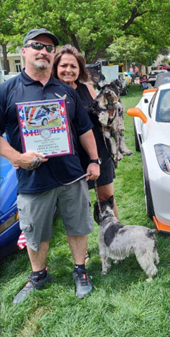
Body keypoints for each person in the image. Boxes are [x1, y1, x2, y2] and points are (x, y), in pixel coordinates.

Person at [0, 28, 100, 304]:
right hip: (33, 180)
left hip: (70, 174)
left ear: (52, 55)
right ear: (24, 52)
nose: (43, 51)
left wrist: (93, 159)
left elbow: (84, 128)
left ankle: (81, 270)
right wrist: (16, 158)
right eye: (36, 45)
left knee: (78, 225)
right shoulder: (6, 91)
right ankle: (39, 275)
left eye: (48, 47)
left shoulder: (66, 91)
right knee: (35, 230)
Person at [52, 44, 120, 219]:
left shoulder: (86, 88)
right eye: (64, 66)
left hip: (97, 153)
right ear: (56, 67)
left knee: (107, 200)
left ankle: (115, 239)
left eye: (73, 66)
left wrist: (111, 111)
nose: (68, 70)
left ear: (80, 69)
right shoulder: (48, 92)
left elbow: (104, 117)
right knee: (74, 206)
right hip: (68, 158)